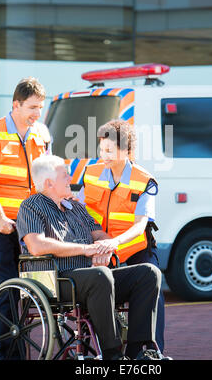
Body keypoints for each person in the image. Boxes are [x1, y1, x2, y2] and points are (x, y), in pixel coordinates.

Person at [16, 155, 167, 360]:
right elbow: (36, 245)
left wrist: (104, 248)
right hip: (58, 279)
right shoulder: (31, 206)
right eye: (65, 175)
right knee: (100, 275)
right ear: (49, 182)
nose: (70, 178)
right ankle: (112, 354)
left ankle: (138, 351)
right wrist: (85, 250)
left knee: (149, 273)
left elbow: (98, 234)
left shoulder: (75, 207)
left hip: (92, 276)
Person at [0, 77, 51, 359]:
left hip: (30, 222)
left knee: (35, 288)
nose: (37, 114)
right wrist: (1, 217)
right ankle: (2, 354)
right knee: (6, 287)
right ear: (15, 104)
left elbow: (46, 178)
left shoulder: (41, 133)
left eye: (40, 107)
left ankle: (8, 351)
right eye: (32, 107)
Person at [78, 119, 165, 353]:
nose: (103, 155)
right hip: (99, 249)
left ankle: (144, 351)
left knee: (152, 282)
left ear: (127, 151)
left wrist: (114, 242)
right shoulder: (91, 173)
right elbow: (79, 211)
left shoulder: (144, 180)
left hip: (135, 250)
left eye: (109, 150)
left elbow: (139, 226)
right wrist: (98, 245)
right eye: (101, 149)